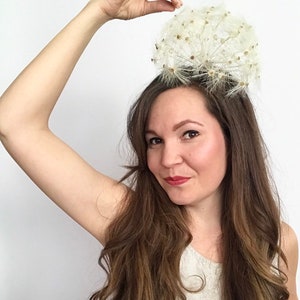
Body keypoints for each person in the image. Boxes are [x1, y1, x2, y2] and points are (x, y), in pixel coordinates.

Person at [0, 0, 298, 299]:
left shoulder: (277, 242)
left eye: (189, 133)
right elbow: (14, 123)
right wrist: (99, 11)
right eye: (154, 140)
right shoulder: (131, 221)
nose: (167, 159)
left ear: (234, 138)